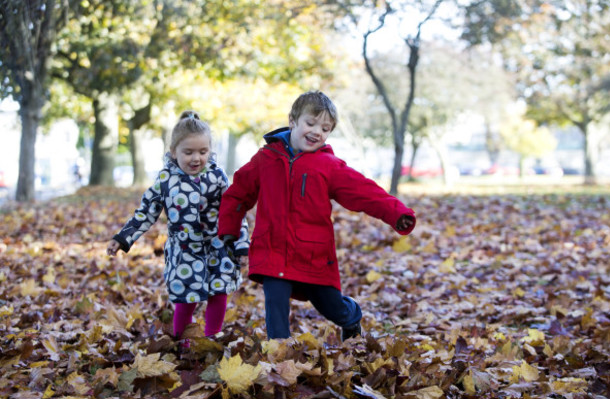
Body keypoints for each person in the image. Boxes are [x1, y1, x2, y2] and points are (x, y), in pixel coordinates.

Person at [217, 91, 416, 341]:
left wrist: (396, 212)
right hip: (273, 249)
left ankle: (351, 317)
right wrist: (229, 230)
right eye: (310, 123)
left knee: (332, 308)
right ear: (293, 121)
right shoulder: (265, 159)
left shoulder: (328, 166)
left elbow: (364, 191)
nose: (316, 132)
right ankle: (280, 355)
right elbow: (237, 194)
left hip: (313, 254)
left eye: (325, 128)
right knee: (275, 303)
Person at [107, 110, 249, 344]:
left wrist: (241, 245)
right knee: (186, 298)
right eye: (188, 152)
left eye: (203, 152)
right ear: (174, 152)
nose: (196, 158)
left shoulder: (217, 177)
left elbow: (235, 210)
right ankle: (182, 340)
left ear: (210, 151)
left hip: (217, 245)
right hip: (184, 250)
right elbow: (146, 211)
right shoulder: (166, 180)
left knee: (219, 291)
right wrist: (123, 238)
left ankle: (212, 337)